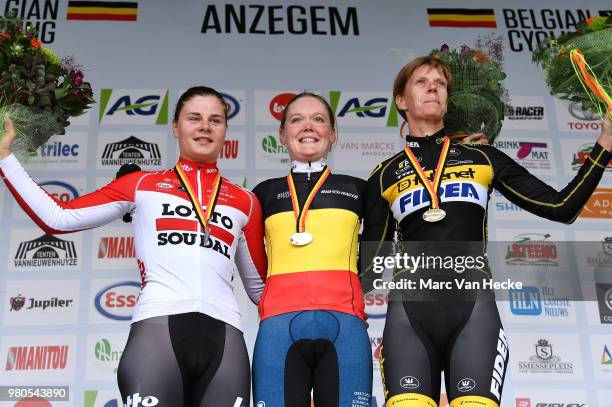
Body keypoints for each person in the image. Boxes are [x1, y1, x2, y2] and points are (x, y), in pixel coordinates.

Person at [361, 56, 612, 407]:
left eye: (441, 83)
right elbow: (370, 268)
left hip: (473, 310)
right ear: (401, 101)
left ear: (448, 98)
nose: (433, 86)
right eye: (421, 82)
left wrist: (604, 142)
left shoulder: (482, 157)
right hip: (409, 315)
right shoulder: (384, 175)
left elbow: (561, 207)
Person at [0, 86, 267, 407]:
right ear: (176, 126)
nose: (205, 127)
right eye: (194, 118)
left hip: (226, 339)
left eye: (215, 120)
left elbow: (262, 291)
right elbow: (58, 217)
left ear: (225, 130)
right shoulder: (141, 184)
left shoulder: (246, 202)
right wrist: (5, 158)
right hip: (157, 332)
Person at [251, 93, 373, 407]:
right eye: (296, 119)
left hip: (345, 326)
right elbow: (249, 260)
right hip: (278, 327)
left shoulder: (359, 190)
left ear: (333, 134)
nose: (308, 126)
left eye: (318, 119)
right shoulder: (262, 194)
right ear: (282, 134)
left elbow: (380, 252)